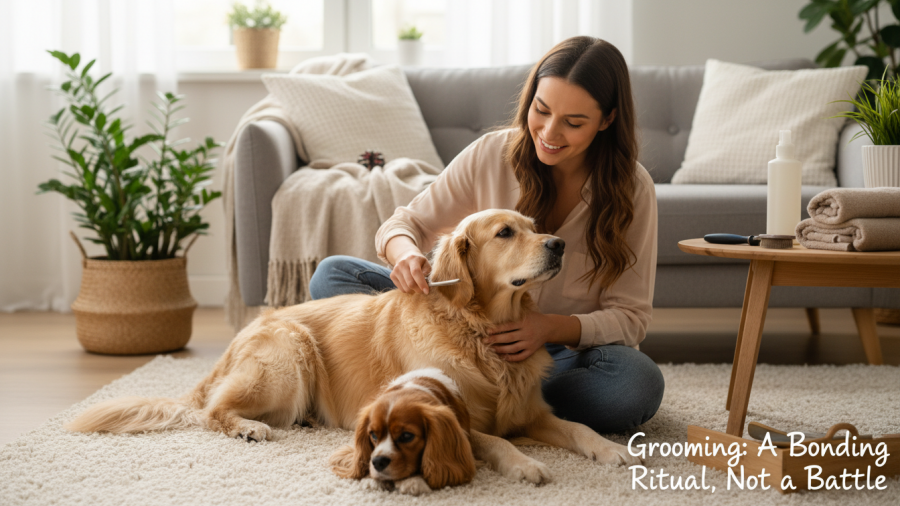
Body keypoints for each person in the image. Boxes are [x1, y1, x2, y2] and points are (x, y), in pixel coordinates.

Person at [309, 36, 664, 434]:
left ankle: (465, 398)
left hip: (557, 354)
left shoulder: (633, 189)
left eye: (573, 122)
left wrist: (547, 327)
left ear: (607, 119)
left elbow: (631, 318)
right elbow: (405, 224)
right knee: (334, 274)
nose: (549, 131)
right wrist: (405, 254)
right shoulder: (491, 153)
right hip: (464, 339)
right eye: (541, 110)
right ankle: (470, 393)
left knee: (636, 385)